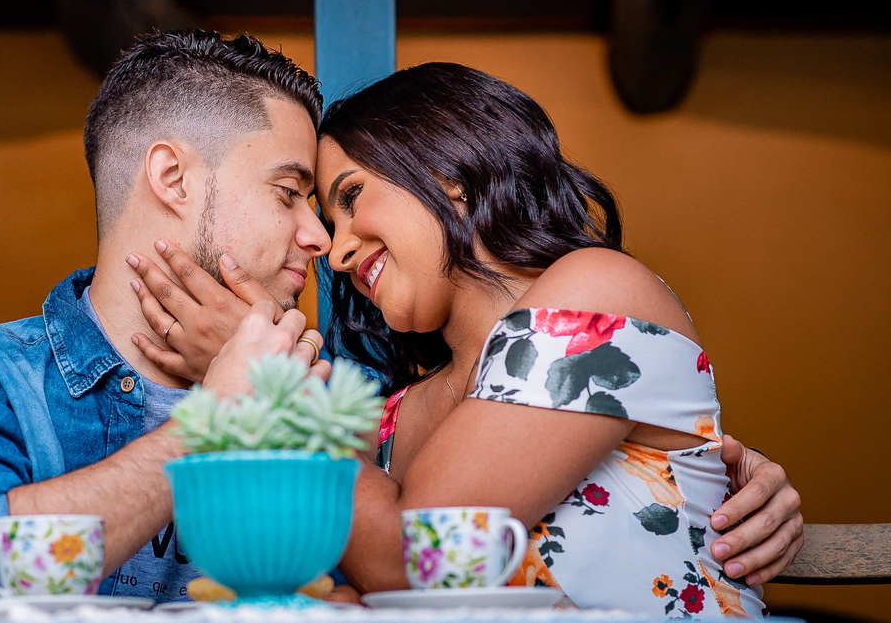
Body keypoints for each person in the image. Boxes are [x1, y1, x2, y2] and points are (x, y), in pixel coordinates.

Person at [132, 61, 803, 614]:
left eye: (351, 195)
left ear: (447, 171)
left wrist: (269, 388)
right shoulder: (393, 416)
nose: (333, 253)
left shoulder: (599, 288)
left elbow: (412, 559)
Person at [0, 30, 329, 621]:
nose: (318, 236)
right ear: (173, 178)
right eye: (289, 192)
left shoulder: (308, 384)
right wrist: (209, 426)